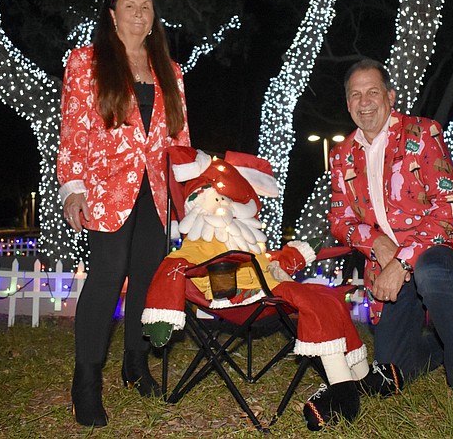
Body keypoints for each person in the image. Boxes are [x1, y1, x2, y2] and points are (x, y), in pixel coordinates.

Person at [141, 147, 402, 431]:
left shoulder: (245, 239)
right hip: (233, 297)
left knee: (328, 296)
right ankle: (342, 392)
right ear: (193, 207)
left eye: (224, 199)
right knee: (311, 299)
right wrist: (161, 316)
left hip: (268, 288)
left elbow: (269, 262)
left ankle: (362, 377)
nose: (220, 206)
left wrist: (300, 253)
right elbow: (171, 270)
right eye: (210, 199)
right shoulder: (196, 246)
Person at [327, 59, 453, 428]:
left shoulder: (423, 132)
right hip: (387, 266)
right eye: (355, 94)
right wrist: (379, 245)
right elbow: (340, 221)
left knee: (430, 271)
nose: (364, 101)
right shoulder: (341, 155)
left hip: (442, 249)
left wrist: (402, 260)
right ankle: (447, 343)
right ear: (347, 103)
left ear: (390, 96)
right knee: (390, 374)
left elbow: (448, 210)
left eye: (372, 92)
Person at [57, 0, 191, 427]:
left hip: (155, 191)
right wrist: (72, 189)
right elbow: (73, 131)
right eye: (130, 6)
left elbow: (180, 137)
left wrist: (185, 194)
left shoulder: (170, 72)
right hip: (104, 188)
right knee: (108, 276)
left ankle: (135, 365)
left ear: (154, 20)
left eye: (146, 7)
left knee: (148, 278)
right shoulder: (86, 62)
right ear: (113, 16)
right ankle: (86, 382)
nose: (139, 13)